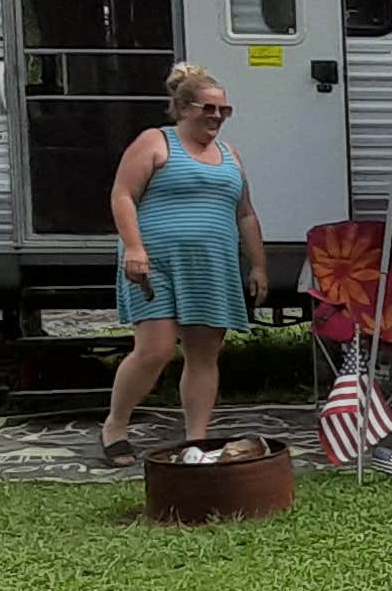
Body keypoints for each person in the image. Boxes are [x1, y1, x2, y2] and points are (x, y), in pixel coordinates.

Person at [98, 62, 266, 465]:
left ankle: (196, 439)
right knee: (154, 349)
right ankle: (115, 426)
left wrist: (258, 265)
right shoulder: (155, 142)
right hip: (157, 261)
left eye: (223, 111)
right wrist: (134, 248)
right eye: (209, 109)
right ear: (184, 107)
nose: (217, 118)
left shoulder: (230, 155)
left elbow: (246, 214)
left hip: (212, 265)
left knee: (204, 353)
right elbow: (123, 195)